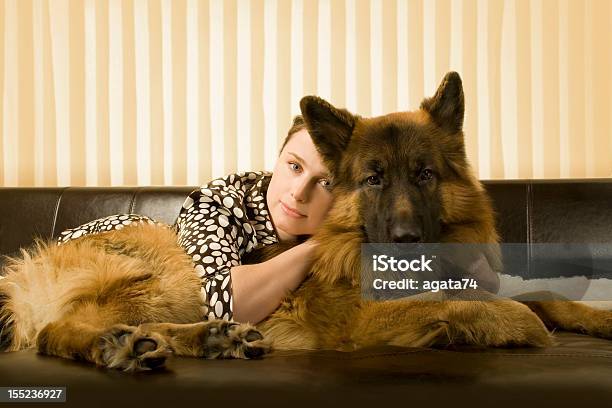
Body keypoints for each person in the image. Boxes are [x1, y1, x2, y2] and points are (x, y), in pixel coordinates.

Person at [57, 116, 335, 324]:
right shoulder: (220, 202)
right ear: (277, 160)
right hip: (94, 264)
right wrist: (320, 246)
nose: (299, 192)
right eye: (294, 166)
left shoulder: (356, 217)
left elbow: (379, 293)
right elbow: (219, 306)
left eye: (326, 183)